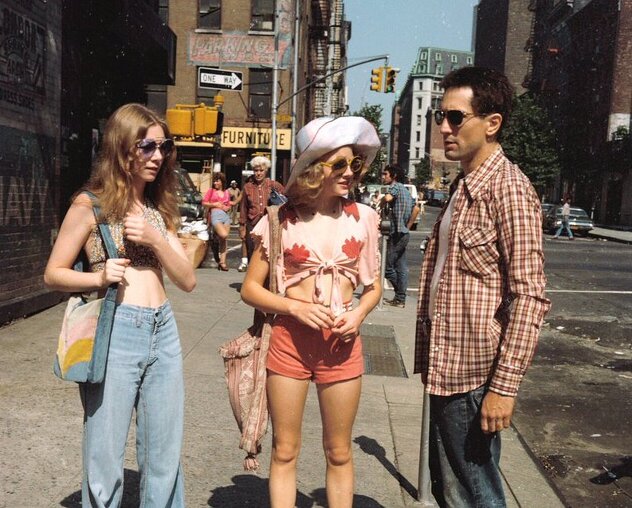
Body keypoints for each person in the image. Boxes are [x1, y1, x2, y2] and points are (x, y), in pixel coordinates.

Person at [44, 103, 196, 506]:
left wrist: (156, 239)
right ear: (122, 147)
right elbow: (53, 273)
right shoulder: (89, 205)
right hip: (117, 329)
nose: (158, 156)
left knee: (164, 452)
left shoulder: (157, 208)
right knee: (105, 450)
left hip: (163, 329)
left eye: (164, 147)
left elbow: (188, 280)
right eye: (148, 147)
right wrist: (97, 278)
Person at [414, 66, 550, 507]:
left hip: (474, 377)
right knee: (453, 491)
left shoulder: (509, 189)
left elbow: (530, 297)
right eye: (441, 116)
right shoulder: (464, 185)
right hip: (448, 366)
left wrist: (503, 388)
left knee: (476, 494)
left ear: (492, 123)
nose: (444, 127)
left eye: (456, 117)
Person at [240, 116, 382, 508]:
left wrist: (359, 314)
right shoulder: (279, 220)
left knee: (339, 451)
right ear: (315, 167)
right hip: (289, 343)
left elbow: (373, 287)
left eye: (355, 164)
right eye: (340, 164)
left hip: (342, 345)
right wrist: (294, 307)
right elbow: (250, 289)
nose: (350, 172)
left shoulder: (364, 218)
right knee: (285, 450)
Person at [380, 165, 420, 308]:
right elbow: (416, 209)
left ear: (394, 175)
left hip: (396, 233)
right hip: (403, 233)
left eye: (386, 174)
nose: (383, 176)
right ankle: (400, 300)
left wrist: (381, 202)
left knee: (386, 268)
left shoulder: (395, 186)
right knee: (401, 267)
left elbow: (388, 198)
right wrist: (408, 226)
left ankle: (400, 294)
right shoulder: (406, 191)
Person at [238, 156, 285, 272]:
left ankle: (266, 279)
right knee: (252, 251)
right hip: (252, 224)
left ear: (266, 170)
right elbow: (243, 207)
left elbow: (286, 199)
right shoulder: (247, 187)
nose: (258, 173)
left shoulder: (273, 185)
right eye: (256, 170)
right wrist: (242, 226)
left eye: (261, 170)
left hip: (269, 224)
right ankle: (253, 277)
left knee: (268, 252)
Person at [203, 172, 234, 271]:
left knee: (224, 239)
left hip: (225, 216)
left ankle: (222, 262)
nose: (215, 183)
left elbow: (228, 204)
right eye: (214, 181)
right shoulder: (211, 191)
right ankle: (215, 238)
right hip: (215, 215)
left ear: (222, 182)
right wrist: (214, 204)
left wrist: (227, 207)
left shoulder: (226, 192)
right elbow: (204, 202)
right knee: (224, 235)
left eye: (217, 181)